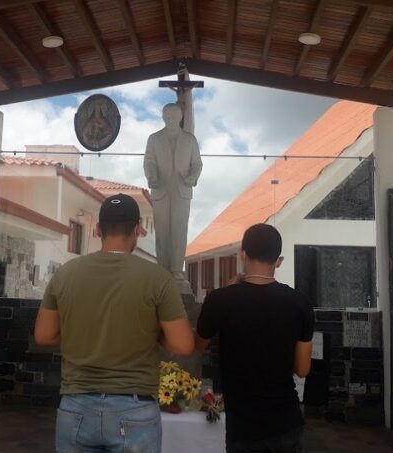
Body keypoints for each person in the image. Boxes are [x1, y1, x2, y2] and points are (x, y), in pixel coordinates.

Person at [35, 193, 194, 453]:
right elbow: (184, 345)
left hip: (76, 406)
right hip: (135, 408)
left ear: (98, 230)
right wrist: (150, 332)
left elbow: (43, 335)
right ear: (137, 230)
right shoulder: (157, 278)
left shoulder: (65, 274)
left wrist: (81, 331)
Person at [195, 224, 315, 453]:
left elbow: (199, 345)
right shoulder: (300, 303)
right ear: (278, 261)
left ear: (242, 254)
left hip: (241, 423)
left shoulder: (219, 300)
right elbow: (302, 369)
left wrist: (226, 295)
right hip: (285, 420)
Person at [143, 103, 203, 281]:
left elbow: (197, 164)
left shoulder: (190, 140)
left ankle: (177, 269)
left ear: (180, 118)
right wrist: (152, 176)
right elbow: (149, 161)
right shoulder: (154, 139)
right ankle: (162, 268)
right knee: (162, 230)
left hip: (182, 190)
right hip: (160, 188)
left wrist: (192, 177)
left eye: (173, 116)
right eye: (167, 116)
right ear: (162, 117)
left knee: (179, 229)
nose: (170, 119)